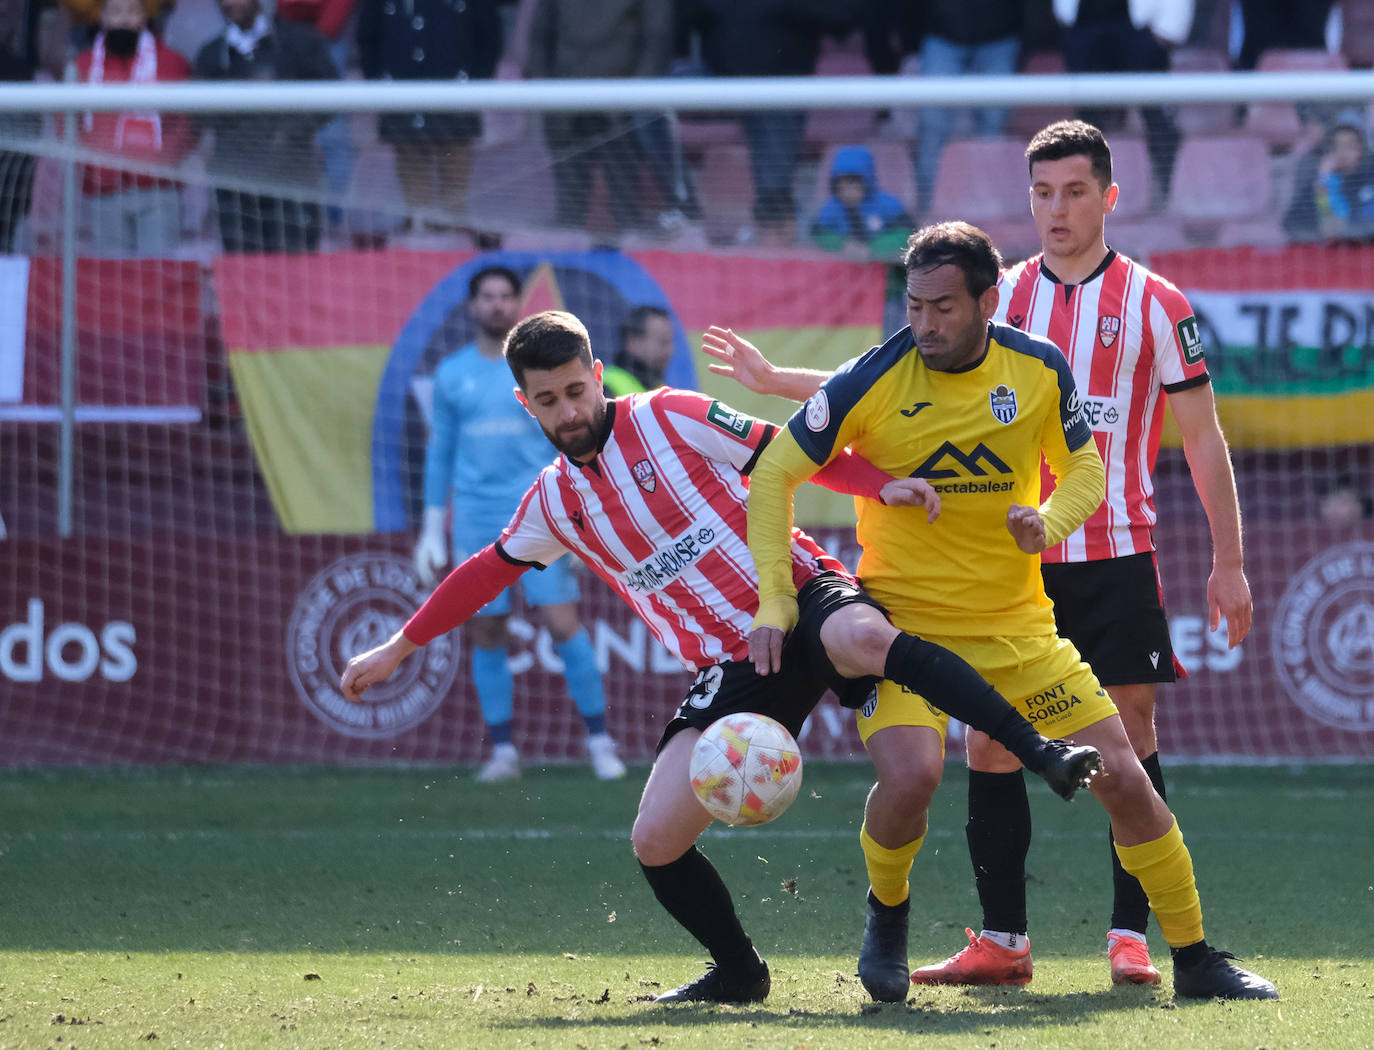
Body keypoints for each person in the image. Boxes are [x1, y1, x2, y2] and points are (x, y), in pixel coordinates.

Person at [344, 307, 1103, 1004]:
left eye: (576, 390)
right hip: (736, 665)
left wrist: (883, 483)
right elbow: (485, 572)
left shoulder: (673, 415)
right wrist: (398, 644)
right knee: (654, 840)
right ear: (526, 404)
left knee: (878, 666)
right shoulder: (554, 503)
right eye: (548, 402)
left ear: (597, 374)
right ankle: (739, 972)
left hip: (799, 595)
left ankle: (1038, 753)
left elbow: (794, 449)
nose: (569, 412)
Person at [708, 119, 1261, 993]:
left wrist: (1061, 518)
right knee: (940, 768)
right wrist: (776, 592)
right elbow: (815, 432)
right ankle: (940, 932)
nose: (925, 324)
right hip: (918, 619)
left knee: (1127, 762)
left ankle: (1170, 949)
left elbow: (1132, 454)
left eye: (1074, 191)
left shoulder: (1100, 334)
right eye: (1041, 192)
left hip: (1060, 589)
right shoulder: (916, 342)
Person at [412, 266, 625, 783]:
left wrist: (581, 518)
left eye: (507, 297)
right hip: (476, 518)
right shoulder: (451, 374)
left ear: (517, 304)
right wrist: (431, 525)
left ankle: (600, 742)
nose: (498, 305)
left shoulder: (536, 373)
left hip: (543, 513)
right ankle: (504, 752)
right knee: (487, 631)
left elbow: (576, 444)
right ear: (473, 306)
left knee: (562, 623)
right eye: (488, 297)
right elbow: (440, 452)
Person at [192, 0, 339, 253]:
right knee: (243, 276)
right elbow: (198, 116)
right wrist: (243, 99)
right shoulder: (211, 54)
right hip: (235, 186)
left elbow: (331, 99)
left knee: (295, 274)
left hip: (293, 180)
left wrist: (289, 131)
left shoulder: (300, 42)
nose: (231, 3)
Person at [356, 0, 501, 230]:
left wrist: (474, 86)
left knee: (455, 184)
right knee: (415, 188)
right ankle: (421, 242)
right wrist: (380, 84)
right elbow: (368, 37)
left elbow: (489, 38)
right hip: (402, 103)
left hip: (457, 106)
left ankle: (455, 245)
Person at [70, 0, 195, 258]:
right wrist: (90, 159)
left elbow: (190, 122)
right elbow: (67, 122)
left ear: (144, 17)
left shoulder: (173, 62)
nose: (124, 20)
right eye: (116, 12)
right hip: (104, 190)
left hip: (158, 188)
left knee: (160, 277)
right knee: (113, 280)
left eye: (132, 12)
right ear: (102, 17)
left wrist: (165, 158)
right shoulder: (81, 66)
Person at [1283, 109, 1374, 242]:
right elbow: (1296, 225)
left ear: (1362, 150)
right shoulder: (1320, 182)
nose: (1342, 152)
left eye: (1349, 146)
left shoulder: (1369, 182)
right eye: (1337, 146)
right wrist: (1324, 181)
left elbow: (1360, 226)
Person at [810, 145, 912, 261]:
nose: (847, 193)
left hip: (883, 267)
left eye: (853, 186)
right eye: (842, 188)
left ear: (867, 182)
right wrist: (842, 244)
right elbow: (819, 234)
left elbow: (906, 233)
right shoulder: (831, 209)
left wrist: (874, 249)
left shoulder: (889, 206)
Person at [600, 304, 675, 396]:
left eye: (670, 342)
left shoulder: (660, 389)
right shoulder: (606, 386)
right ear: (633, 341)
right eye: (663, 342)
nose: (670, 350)